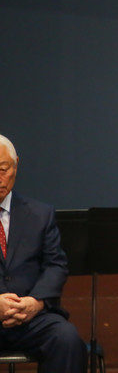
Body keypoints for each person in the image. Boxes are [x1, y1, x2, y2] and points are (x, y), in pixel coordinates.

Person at [0, 134, 86, 372]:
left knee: (66, 339)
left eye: (3, 170)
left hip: (31, 315)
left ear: (16, 164)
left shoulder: (40, 214)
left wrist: (35, 302)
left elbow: (55, 265)